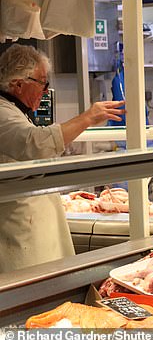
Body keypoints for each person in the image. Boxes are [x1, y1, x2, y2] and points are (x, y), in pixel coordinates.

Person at [0, 44, 125, 273]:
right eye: (42, 82)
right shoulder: (3, 113)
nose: (45, 91)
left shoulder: (15, 112)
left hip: (33, 229)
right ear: (18, 84)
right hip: (19, 232)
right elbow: (35, 143)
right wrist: (87, 118)